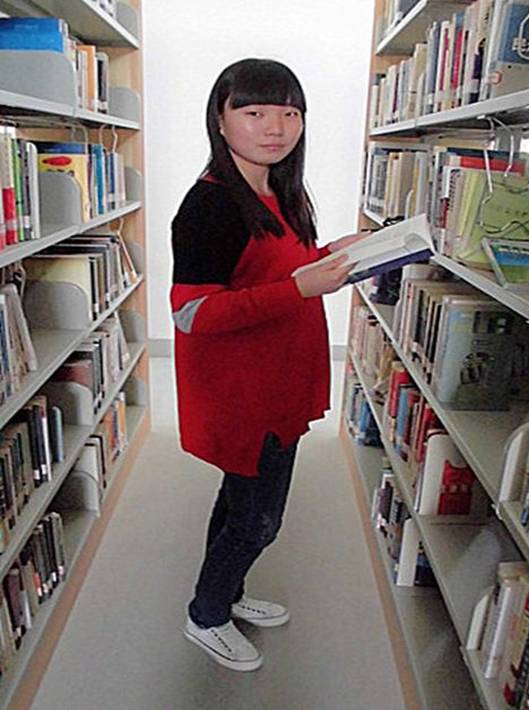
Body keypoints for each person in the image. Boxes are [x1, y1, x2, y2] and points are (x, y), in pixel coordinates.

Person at [170, 57, 361, 672]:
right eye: (253, 112)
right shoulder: (209, 205)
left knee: (239, 504)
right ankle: (206, 615)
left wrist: (335, 254)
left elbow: (277, 272)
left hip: (282, 379)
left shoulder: (281, 191)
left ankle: (226, 593)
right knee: (258, 521)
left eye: (289, 112)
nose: (275, 127)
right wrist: (302, 287)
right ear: (220, 119)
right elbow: (193, 313)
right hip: (244, 392)